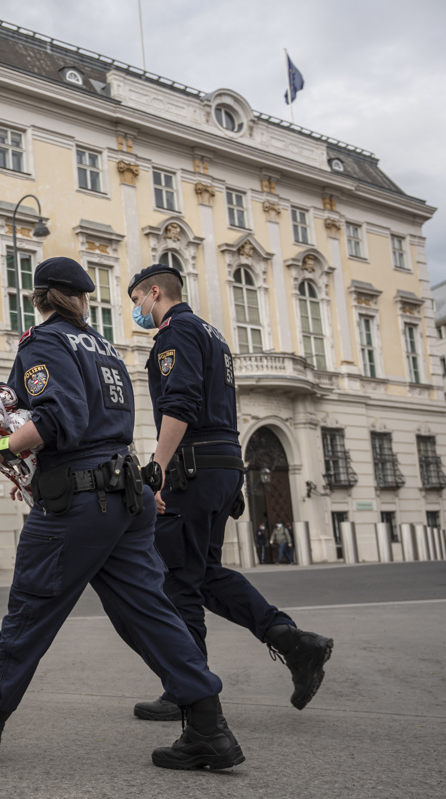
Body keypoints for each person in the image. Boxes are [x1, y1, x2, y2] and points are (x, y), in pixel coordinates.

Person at [0, 257, 245, 770]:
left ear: (39, 298)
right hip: (126, 495)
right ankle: (209, 727)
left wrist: (1, 443)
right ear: (83, 299)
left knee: (30, 610)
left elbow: (52, 419)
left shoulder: (42, 343)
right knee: (152, 614)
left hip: (77, 500)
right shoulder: (107, 350)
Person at [127, 264, 333, 721]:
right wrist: (233, 472)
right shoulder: (214, 336)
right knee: (206, 574)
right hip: (220, 464)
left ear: (155, 293)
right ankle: (294, 643)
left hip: (192, 468)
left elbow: (178, 405)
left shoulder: (174, 334)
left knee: (177, 579)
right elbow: (224, 405)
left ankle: (190, 691)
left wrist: (156, 470)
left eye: (137, 301)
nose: (136, 311)